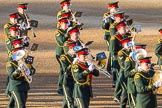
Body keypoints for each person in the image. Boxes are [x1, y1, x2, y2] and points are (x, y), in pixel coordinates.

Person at [125, 43, 147, 108]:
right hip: (133, 86)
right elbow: (126, 74)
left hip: (141, 87)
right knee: (133, 105)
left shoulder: (144, 60)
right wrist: (136, 70)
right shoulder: (129, 59)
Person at [114, 37, 133, 107]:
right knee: (125, 91)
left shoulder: (133, 51)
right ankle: (122, 105)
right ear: (124, 45)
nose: (130, 45)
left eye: (130, 43)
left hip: (131, 74)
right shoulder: (121, 53)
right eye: (128, 44)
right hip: (124, 74)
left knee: (130, 90)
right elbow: (123, 64)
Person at [102, 1, 119, 73]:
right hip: (109, 35)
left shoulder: (118, 15)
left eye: (117, 7)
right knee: (112, 51)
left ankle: (110, 67)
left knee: (114, 51)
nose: (116, 9)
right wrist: (107, 20)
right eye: (115, 7)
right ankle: (111, 68)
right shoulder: (106, 15)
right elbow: (104, 27)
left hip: (117, 35)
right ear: (111, 8)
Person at [109, 21, 128, 87]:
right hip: (118, 61)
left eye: (125, 28)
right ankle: (117, 95)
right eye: (124, 28)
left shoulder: (125, 37)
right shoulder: (114, 38)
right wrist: (120, 58)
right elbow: (113, 52)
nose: (125, 29)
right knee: (119, 78)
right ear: (118, 29)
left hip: (124, 60)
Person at [60, 42, 77, 108]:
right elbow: (65, 70)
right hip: (67, 80)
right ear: (70, 49)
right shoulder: (64, 57)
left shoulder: (76, 56)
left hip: (74, 80)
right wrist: (73, 63)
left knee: (68, 98)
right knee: (70, 100)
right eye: (74, 49)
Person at [55, 18, 69, 95]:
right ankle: (60, 88)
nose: (66, 25)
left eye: (67, 24)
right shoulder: (58, 32)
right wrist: (68, 34)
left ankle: (64, 86)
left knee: (65, 71)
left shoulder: (66, 31)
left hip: (67, 53)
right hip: (61, 54)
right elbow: (62, 41)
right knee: (63, 71)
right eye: (64, 24)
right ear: (60, 24)